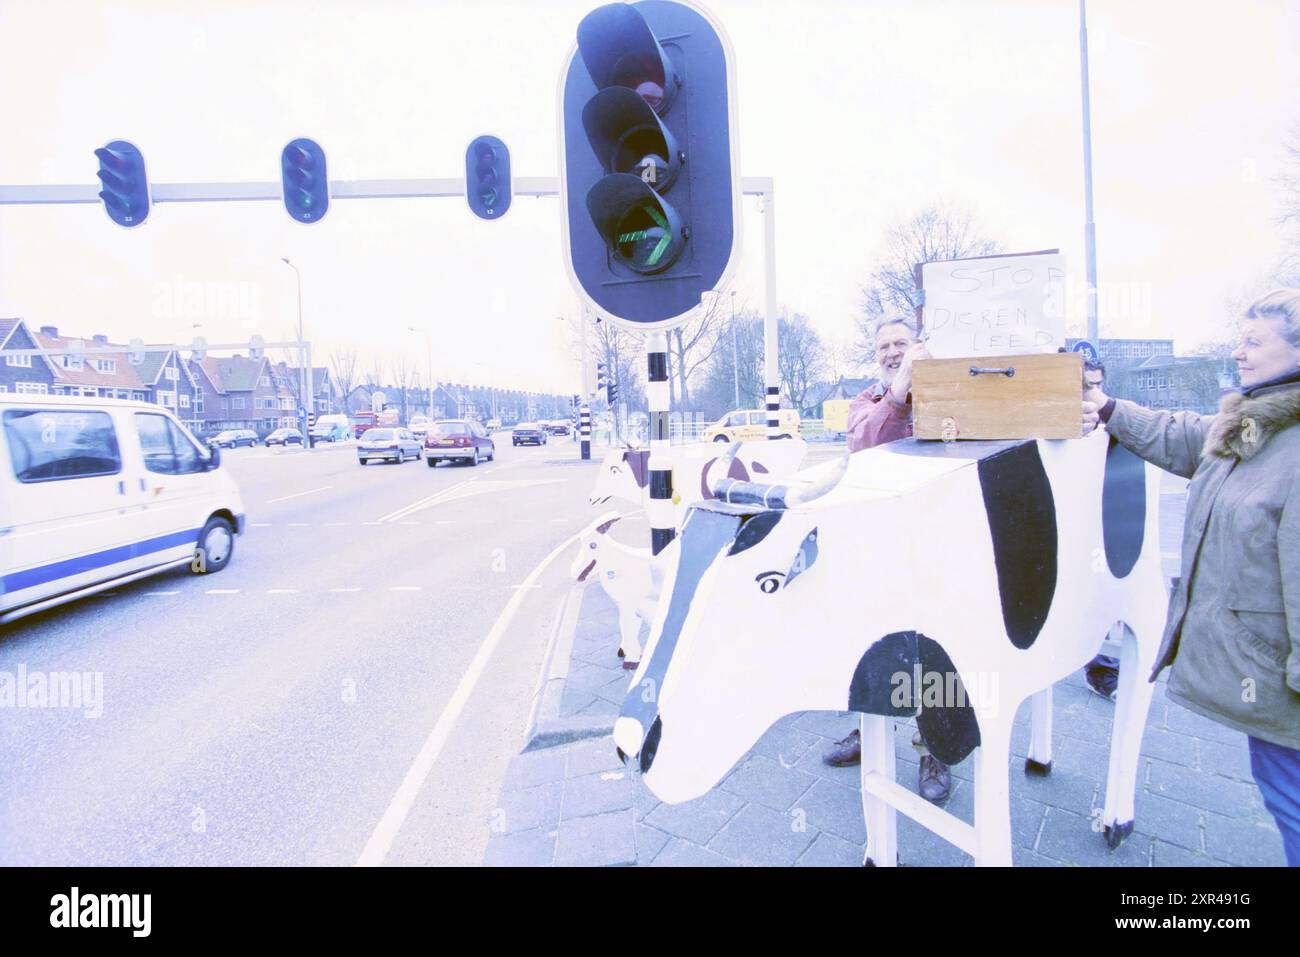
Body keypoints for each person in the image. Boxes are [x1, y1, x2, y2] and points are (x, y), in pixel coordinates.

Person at [1083, 288, 1300, 865]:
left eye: (1255, 341)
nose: (1239, 351)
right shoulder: (1260, 421)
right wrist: (1105, 406)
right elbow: (1181, 435)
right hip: (1271, 679)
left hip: (1286, 683)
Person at [822, 318, 952, 805]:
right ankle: (867, 732)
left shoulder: (948, 390)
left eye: (902, 343)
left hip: (935, 542)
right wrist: (898, 394)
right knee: (871, 641)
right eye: (884, 347)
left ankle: (932, 748)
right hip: (881, 543)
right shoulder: (867, 402)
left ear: (918, 346)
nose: (893, 352)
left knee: (933, 646)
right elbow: (863, 444)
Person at [1081, 360, 1122, 700]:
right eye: (1084, 385)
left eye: (1096, 384)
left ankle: (1103, 669)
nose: (1091, 393)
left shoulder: (1108, 420)